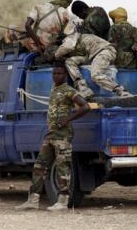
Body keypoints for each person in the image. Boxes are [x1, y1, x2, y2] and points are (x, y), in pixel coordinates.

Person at [16, 62, 90, 211]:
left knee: (63, 167)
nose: (56, 76)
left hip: (63, 135)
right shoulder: (54, 89)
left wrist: (68, 119)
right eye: (54, 73)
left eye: (60, 73)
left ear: (65, 75)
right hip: (51, 134)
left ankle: (62, 202)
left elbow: (85, 106)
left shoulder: (69, 90)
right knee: (39, 165)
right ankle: (33, 199)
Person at [55, 25, 132, 98]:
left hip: (104, 51)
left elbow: (68, 47)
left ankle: (121, 91)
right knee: (70, 61)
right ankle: (83, 88)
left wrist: (56, 55)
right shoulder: (78, 39)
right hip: (92, 55)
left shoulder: (70, 38)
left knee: (96, 75)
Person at [0, 0, 79, 53]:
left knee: (12, 27)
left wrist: (37, 43)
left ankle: (3, 43)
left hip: (35, 44)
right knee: (29, 33)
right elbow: (66, 36)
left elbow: (27, 26)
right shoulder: (66, 14)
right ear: (67, 3)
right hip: (50, 45)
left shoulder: (40, 7)